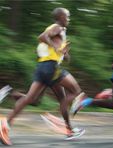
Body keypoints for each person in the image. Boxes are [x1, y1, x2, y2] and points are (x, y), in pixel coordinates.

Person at [0, 7, 86, 145]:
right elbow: (42, 37)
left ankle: (6, 123)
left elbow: (44, 48)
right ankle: (56, 118)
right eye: (67, 17)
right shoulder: (57, 27)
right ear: (60, 18)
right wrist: (57, 49)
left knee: (31, 98)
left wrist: (64, 53)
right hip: (51, 68)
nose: (68, 19)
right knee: (76, 91)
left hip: (43, 67)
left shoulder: (58, 31)